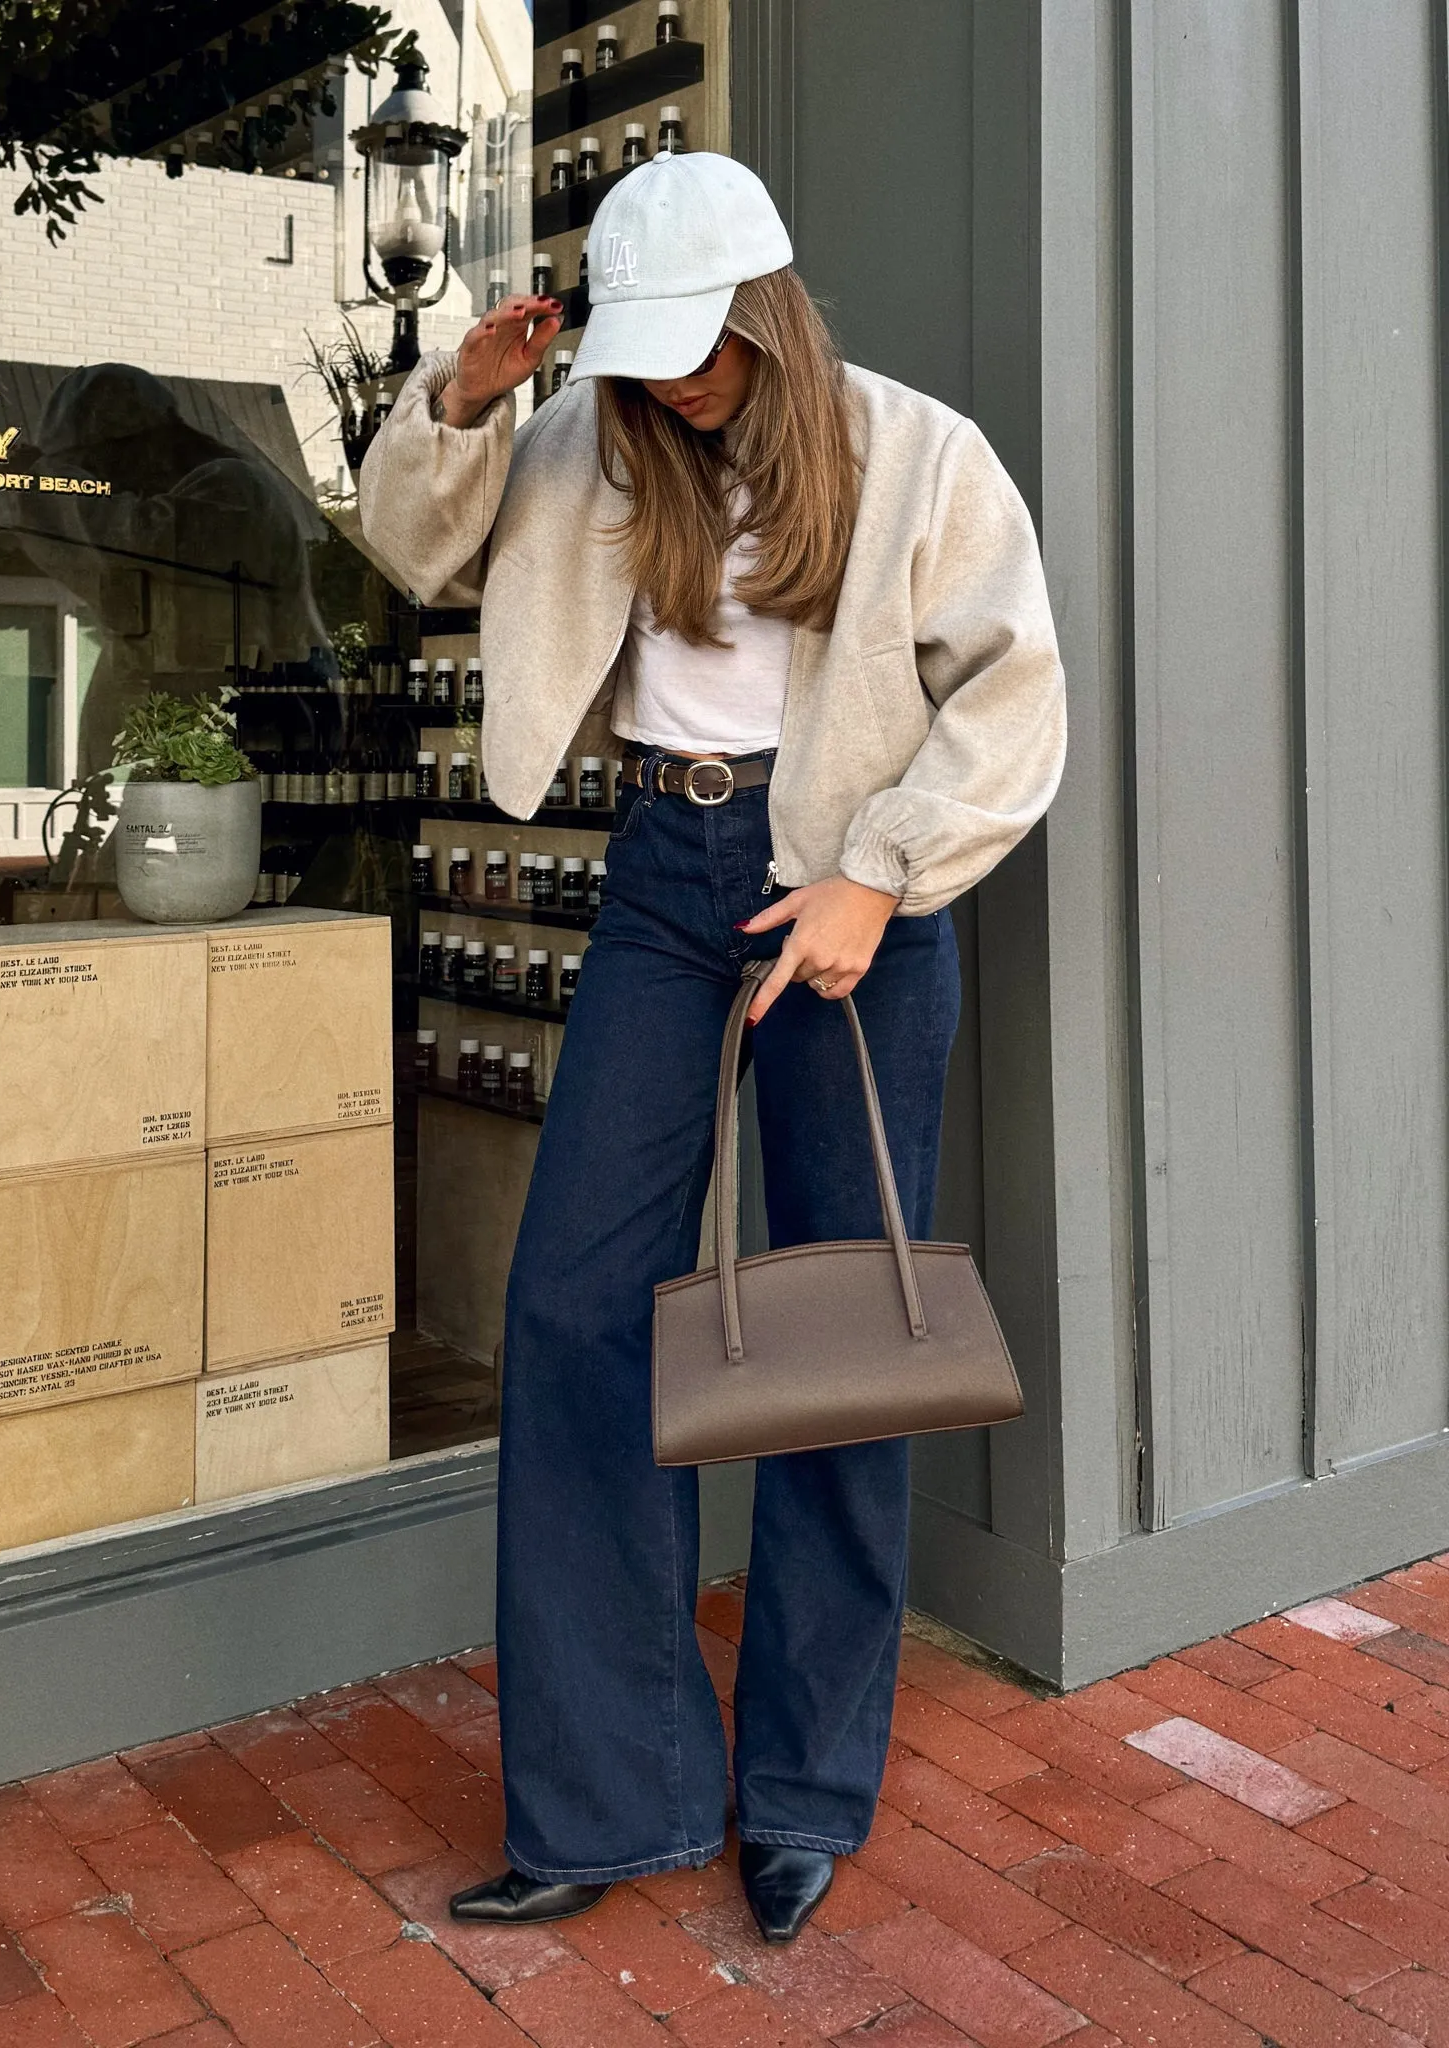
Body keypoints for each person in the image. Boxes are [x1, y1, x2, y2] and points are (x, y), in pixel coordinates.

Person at [360, 152, 1065, 1945]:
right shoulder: (590, 446)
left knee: (841, 1330)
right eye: (649, 350)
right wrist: (468, 396)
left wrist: (876, 878)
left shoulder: (918, 451)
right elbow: (414, 546)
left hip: (848, 890)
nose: (679, 381)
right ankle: (614, 1793)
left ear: (770, 311)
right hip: (665, 883)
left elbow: (1011, 691)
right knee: (578, 1309)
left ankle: (806, 1790)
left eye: (706, 349)